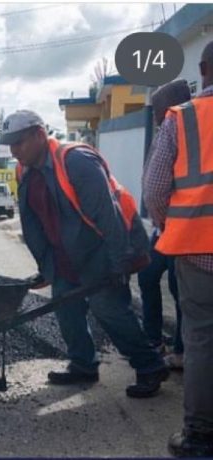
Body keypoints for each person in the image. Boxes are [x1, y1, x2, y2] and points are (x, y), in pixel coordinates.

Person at [0, 110, 168, 399]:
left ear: (40, 135)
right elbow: (35, 223)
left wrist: (118, 263)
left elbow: (108, 216)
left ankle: (150, 366)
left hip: (101, 251)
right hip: (66, 257)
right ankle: (83, 364)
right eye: (10, 145)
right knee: (66, 308)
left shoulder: (75, 161)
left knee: (109, 310)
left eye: (19, 143)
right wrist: (47, 266)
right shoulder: (24, 171)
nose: (14, 151)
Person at [144, 41, 213, 458]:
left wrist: (173, 227)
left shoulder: (183, 118)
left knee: (202, 337)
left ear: (204, 70)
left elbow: (154, 190)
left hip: (199, 254)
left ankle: (201, 436)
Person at [139, 80, 192, 371]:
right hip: (165, 228)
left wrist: (162, 219)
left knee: (179, 287)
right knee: (147, 276)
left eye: (158, 109)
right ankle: (153, 339)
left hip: (181, 229)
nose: (156, 116)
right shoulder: (168, 129)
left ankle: (182, 351)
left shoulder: (182, 128)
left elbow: (156, 189)